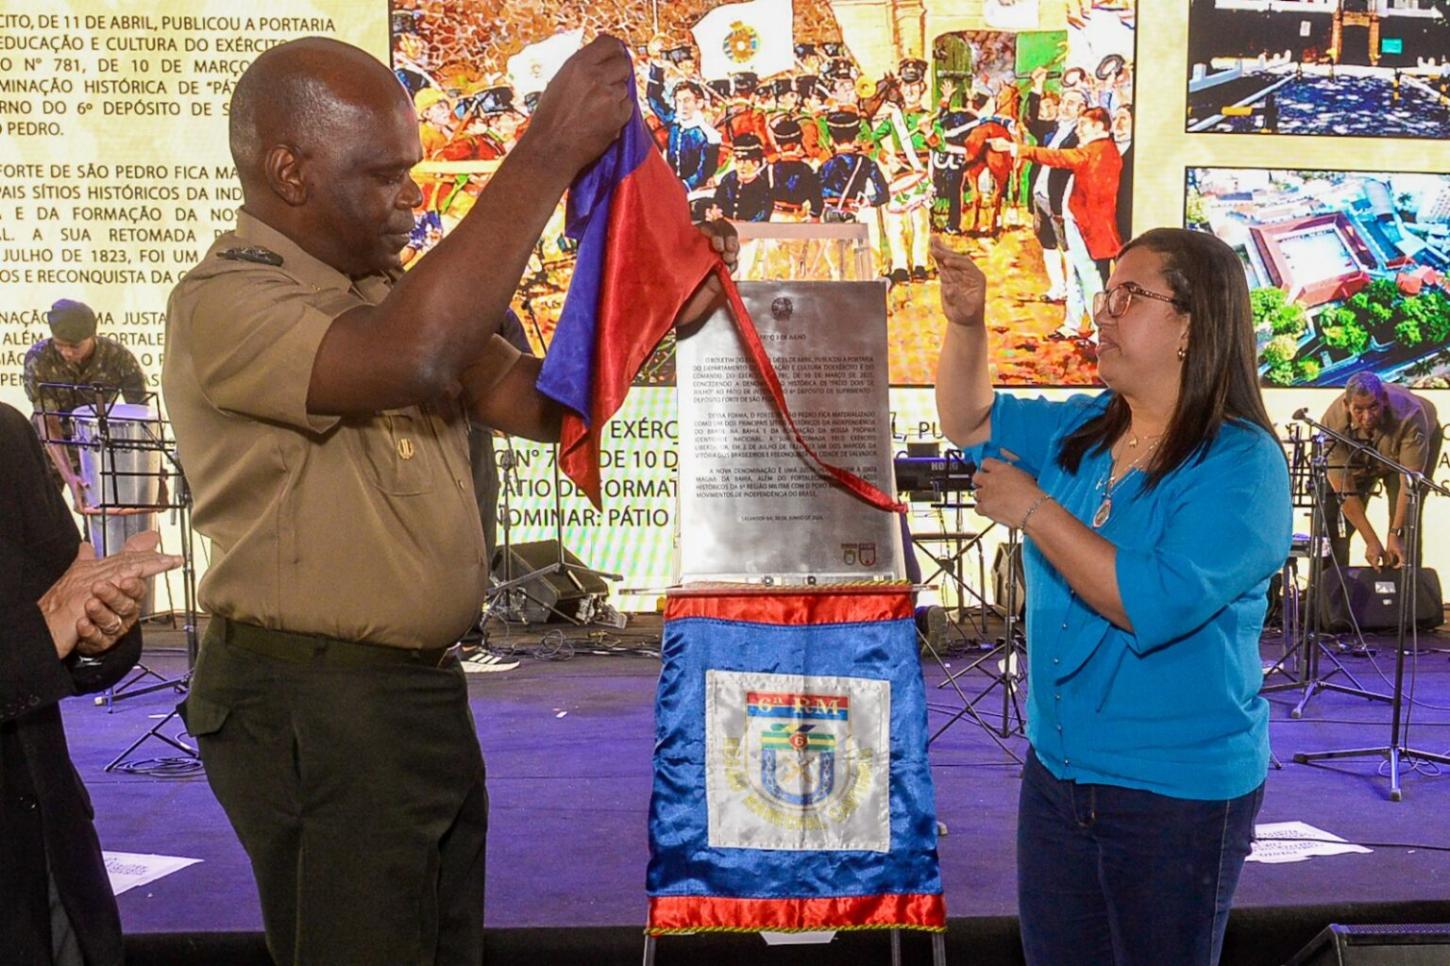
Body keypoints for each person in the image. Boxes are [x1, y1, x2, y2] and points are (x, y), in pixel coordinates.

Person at [162, 36, 736, 966]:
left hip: (407, 695)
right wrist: (546, 151)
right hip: (316, 700)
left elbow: (542, 405)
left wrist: (663, 311)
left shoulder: (384, 293)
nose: (411, 197)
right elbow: (411, 357)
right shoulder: (226, 299)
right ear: (290, 172)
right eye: (384, 175)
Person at [933, 227, 1290, 965]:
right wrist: (967, 326)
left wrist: (1036, 510)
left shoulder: (1241, 464)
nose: (1103, 311)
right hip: (1059, 775)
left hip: (1176, 794)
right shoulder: (1085, 428)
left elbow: (1150, 600)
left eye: (1131, 295)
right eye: (1108, 293)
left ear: (1191, 326)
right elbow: (967, 420)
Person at [1, 402, 181, 966]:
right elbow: (42, 629)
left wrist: (100, 625)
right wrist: (42, 635)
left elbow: (70, 600)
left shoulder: (6, 436)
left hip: (46, 849)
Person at [22, 299, 147, 513]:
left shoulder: (118, 358)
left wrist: (153, 472)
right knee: (41, 515)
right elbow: (48, 422)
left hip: (96, 447)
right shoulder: (39, 358)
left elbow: (142, 416)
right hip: (50, 450)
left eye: (75, 346)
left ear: (92, 336)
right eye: (60, 345)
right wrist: (70, 478)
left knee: (105, 518)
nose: (67, 353)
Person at [1320, 372, 1441, 569]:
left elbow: (1408, 486)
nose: (1367, 417)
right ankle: (1333, 583)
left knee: (1407, 521)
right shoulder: (1332, 424)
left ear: (1384, 399)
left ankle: (1406, 582)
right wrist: (1371, 540)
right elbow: (1345, 491)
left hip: (1404, 452)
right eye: (1358, 410)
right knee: (1332, 519)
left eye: (1373, 407)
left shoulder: (1410, 415)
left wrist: (1394, 534)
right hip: (1357, 458)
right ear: (1346, 405)